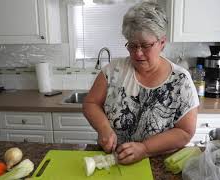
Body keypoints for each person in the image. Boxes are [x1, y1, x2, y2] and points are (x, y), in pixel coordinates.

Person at [83, 1, 199, 165]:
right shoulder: (113, 70)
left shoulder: (180, 81)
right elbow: (91, 103)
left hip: (159, 162)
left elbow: (185, 131)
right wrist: (104, 129)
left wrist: (145, 149)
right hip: (113, 160)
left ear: (162, 43)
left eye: (145, 45)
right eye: (132, 45)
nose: (138, 53)